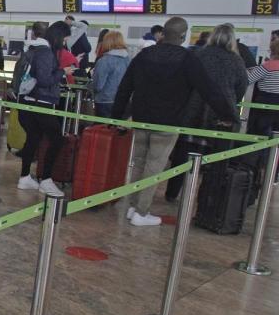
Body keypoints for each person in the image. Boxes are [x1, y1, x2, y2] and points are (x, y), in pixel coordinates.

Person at [112, 17, 236, 226]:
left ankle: (132, 206)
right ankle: (141, 213)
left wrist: (117, 117)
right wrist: (227, 115)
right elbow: (209, 90)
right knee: (154, 166)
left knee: (138, 163)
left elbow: (125, 86)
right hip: (168, 122)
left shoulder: (145, 55)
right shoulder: (187, 59)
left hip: (141, 119)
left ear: (162, 33)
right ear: (183, 35)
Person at [165, 24, 249, 201]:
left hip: (192, 111)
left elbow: (184, 81)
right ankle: (207, 199)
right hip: (221, 115)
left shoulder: (198, 55)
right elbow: (241, 87)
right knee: (217, 161)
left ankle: (172, 193)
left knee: (181, 156)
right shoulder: (236, 60)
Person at [17, 21, 71, 197]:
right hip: (42, 102)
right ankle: (46, 180)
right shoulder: (46, 53)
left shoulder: (32, 50)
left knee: (33, 138)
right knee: (57, 139)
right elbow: (44, 80)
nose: (64, 43)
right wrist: (63, 72)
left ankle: (25, 176)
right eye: (64, 39)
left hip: (28, 100)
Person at [90, 30, 130, 118]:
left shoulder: (104, 61)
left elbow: (98, 86)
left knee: (103, 129)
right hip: (124, 101)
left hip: (105, 101)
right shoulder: (128, 60)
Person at [247, 38, 279, 138]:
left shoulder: (268, 65)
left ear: (273, 50)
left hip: (265, 101)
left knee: (260, 132)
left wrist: (248, 71)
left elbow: (248, 80)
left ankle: (261, 154)